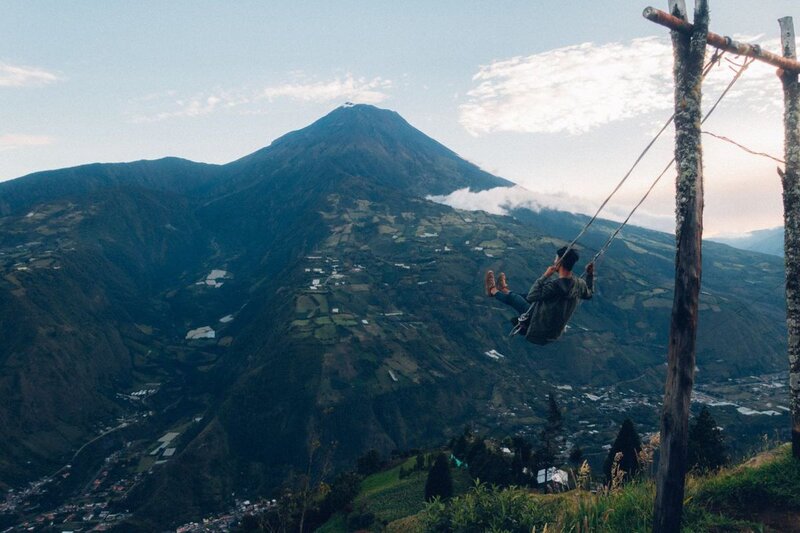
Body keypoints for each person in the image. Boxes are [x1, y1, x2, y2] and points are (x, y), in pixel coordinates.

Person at [485, 246, 594, 345]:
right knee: (524, 295)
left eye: (556, 259)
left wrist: (545, 276)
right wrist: (590, 274)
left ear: (560, 262)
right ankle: (504, 290)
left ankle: (492, 290)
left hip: (539, 325)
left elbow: (532, 296)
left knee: (516, 299)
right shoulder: (579, 284)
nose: (554, 261)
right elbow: (589, 294)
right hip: (553, 329)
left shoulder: (555, 286)